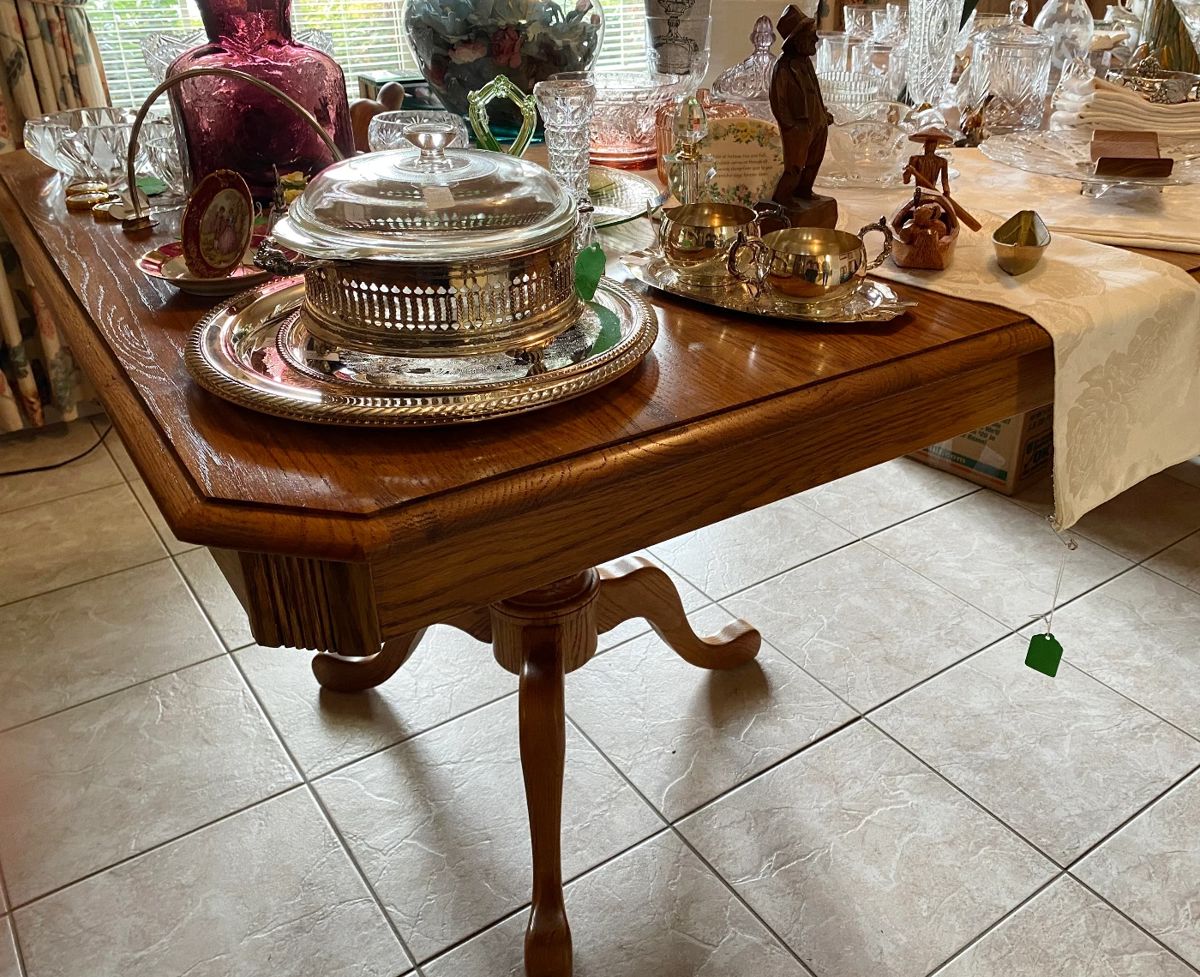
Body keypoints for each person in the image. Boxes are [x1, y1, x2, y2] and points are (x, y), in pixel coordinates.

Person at [770, 5, 834, 212]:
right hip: (798, 126)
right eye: (811, 35)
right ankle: (783, 196)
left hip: (817, 121)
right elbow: (778, 100)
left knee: (814, 160)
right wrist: (789, 125)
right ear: (798, 40)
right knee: (795, 165)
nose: (815, 39)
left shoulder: (806, 63)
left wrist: (823, 113)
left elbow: (815, 90)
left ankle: (804, 190)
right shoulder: (783, 66)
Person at [904, 128, 954, 196]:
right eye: (929, 144)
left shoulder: (942, 161)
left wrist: (946, 193)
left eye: (933, 144)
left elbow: (945, 180)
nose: (931, 146)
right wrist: (908, 172)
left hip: (932, 193)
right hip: (920, 192)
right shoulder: (915, 159)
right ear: (925, 145)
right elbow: (906, 181)